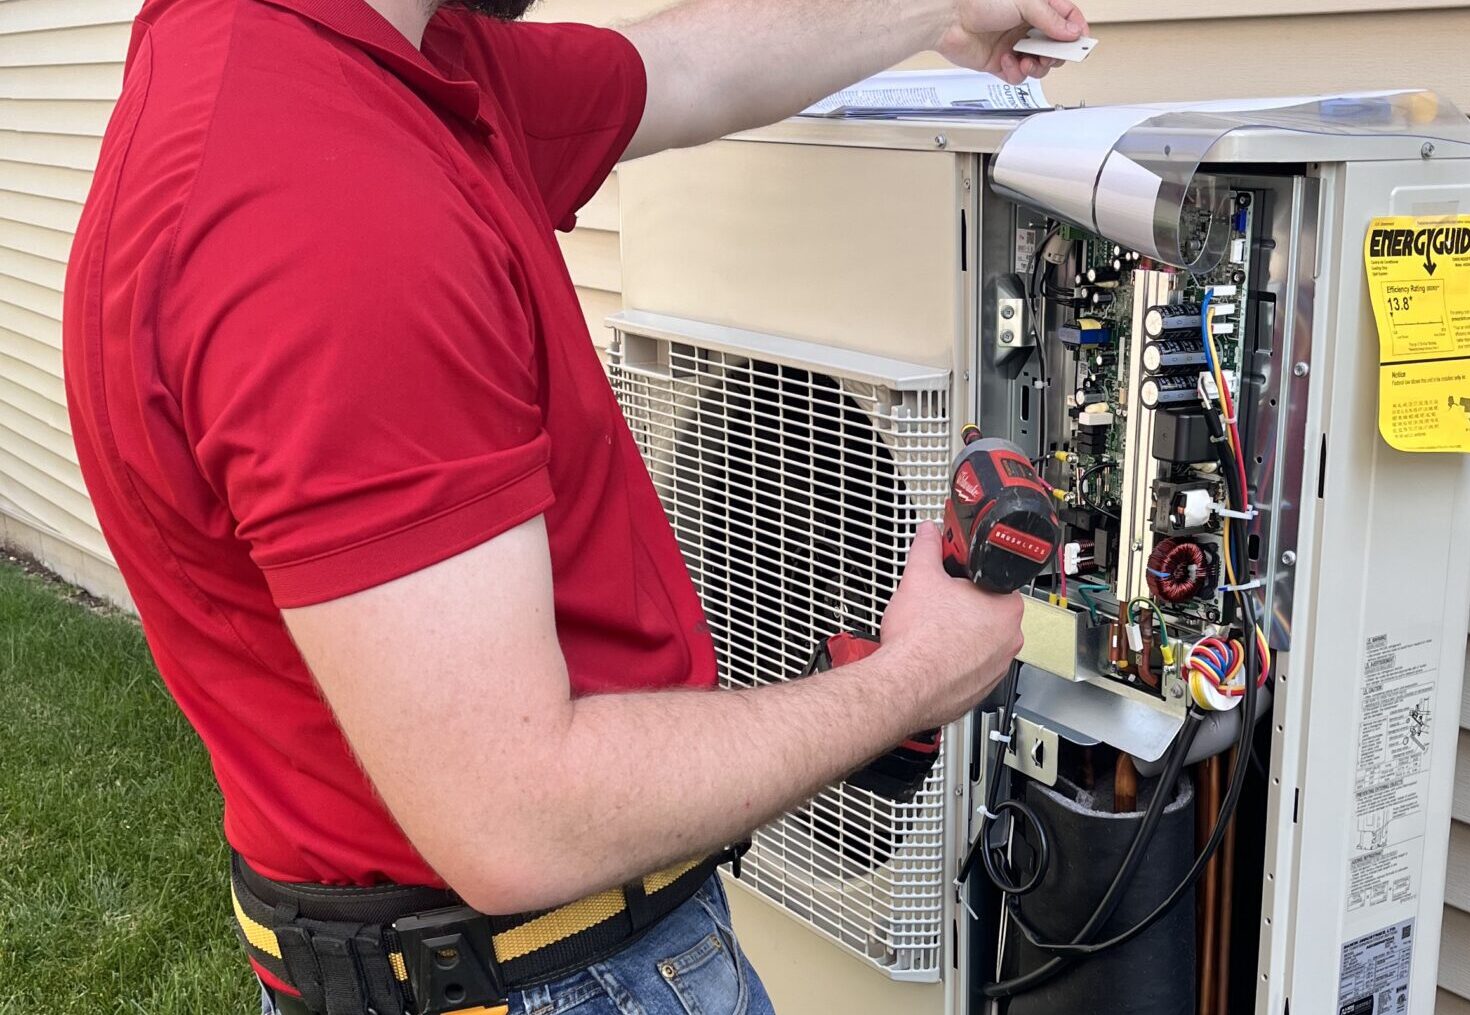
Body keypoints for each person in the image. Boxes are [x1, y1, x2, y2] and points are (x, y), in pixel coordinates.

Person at [62, 0, 1089, 1011]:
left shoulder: (366, 72)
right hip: (557, 976)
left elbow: (680, 71)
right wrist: (912, 682)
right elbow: (520, 819)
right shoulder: (327, 210)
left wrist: (937, 12)